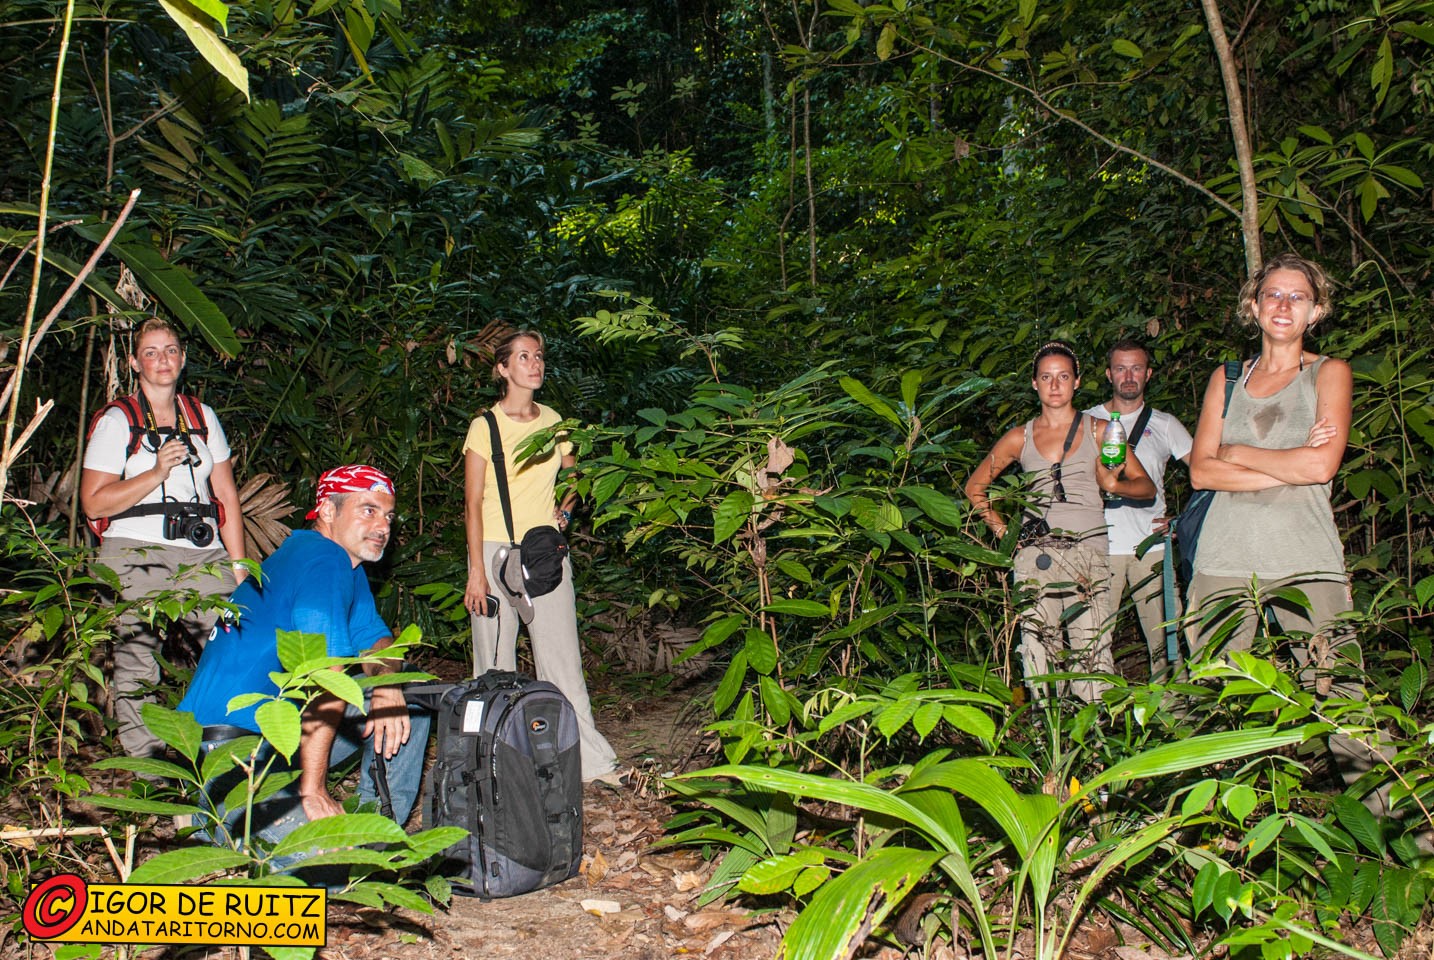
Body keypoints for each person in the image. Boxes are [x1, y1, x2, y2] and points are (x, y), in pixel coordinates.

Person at [1185, 253, 1386, 808]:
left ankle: (1410, 841)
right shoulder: (1227, 379)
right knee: (1216, 699)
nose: (1283, 305)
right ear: (1253, 305)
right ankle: (1222, 837)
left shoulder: (1329, 373)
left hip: (1306, 557)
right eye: (1272, 294)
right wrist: (1285, 458)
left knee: (1342, 699)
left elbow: (1320, 469)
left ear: (1316, 311)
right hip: (1223, 559)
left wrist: (1237, 451)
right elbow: (1200, 471)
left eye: (1297, 297)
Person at [178, 464, 430, 845]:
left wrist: (385, 686)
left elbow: (379, 641)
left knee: (405, 692)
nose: (383, 526)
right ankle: (238, 817)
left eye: (388, 515)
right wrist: (313, 788)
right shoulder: (323, 561)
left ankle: (372, 833)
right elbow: (327, 677)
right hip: (229, 747)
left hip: (256, 737)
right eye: (368, 510)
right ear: (328, 511)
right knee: (327, 870)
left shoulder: (340, 565)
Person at [80, 317, 247, 761]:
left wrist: (239, 564)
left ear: (183, 358)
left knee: (235, 642)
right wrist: (157, 472)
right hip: (135, 551)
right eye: (151, 352)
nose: (162, 360)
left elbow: (225, 493)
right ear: (135, 362)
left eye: (170, 350)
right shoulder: (119, 420)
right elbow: (94, 504)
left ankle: (224, 751)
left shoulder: (202, 416)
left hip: (202, 551)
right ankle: (152, 771)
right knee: (137, 662)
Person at [462, 330, 620, 783]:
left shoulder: (555, 421)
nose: (535, 364)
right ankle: (496, 769)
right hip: (493, 554)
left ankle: (588, 763)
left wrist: (565, 514)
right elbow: (472, 503)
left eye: (539, 356)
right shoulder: (484, 427)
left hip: (545, 553)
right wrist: (476, 573)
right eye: (523, 357)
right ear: (503, 368)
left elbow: (577, 480)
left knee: (562, 662)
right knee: (494, 667)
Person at [965, 341, 1155, 703]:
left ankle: (1095, 746)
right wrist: (1006, 533)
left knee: (1092, 652)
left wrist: (1113, 484)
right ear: (1034, 384)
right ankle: (1048, 739)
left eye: (1063, 376)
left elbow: (1146, 487)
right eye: (1046, 377)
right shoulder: (1019, 437)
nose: (1055, 385)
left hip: (1088, 553)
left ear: (1078, 382)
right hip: (1035, 557)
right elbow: (975, 488)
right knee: (1038, 650)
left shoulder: (1101, 429)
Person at [1085, 339, 1193, 680]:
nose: (1128, 376)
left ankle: (1175, 716)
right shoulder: (1086, 423)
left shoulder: (1166, 424)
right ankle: (1091, 721)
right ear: (1108, 374)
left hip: (1152, 547)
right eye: (1120, 368)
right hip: (1099, 546)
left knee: (1166, 642)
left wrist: (1183, 519)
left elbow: (1206, 473)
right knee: (1092, 642)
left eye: (1135, 368)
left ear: (1148, 374)